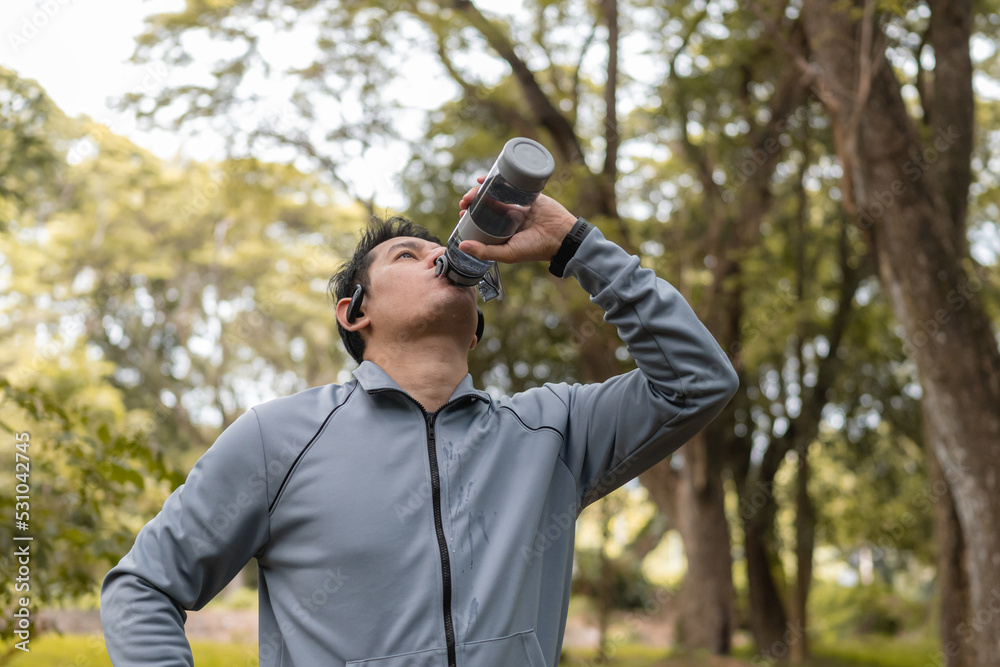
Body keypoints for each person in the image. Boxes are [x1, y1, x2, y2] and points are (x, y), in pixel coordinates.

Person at [100, 181, 739, 667]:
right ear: (355, 313)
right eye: (409, 254)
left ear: (478, 325)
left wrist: (577, 246)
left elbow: (697, 380)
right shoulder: (279, 437)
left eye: (447, 253)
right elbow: (144, 586)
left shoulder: (554, 431)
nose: (442, 259)